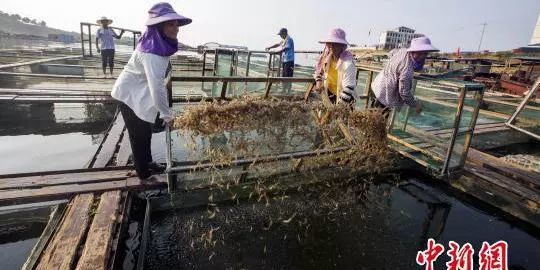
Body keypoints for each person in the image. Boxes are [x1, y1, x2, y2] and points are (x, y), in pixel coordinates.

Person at [111, 2, 192, 180]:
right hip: (129, 95)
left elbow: (158, 82)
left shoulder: (156, 43)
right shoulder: (152, 52)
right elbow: (157, 86)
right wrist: (167, 115)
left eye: (176, 24)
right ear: (158, 26)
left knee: (145, 131)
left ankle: (148, 163)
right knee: (138, 135)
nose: (176, 28)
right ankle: (143, 176)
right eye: (171, 24)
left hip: (138, 92)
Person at [371, 36, 439, 116]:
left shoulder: (403, 51)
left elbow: (391, 53)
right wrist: (416, 104)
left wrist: (394, 67)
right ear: (413, 51)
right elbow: (404, 93)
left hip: (377, 84)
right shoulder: (407, 70)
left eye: (425, 53)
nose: (422, 56)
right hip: (384, 95)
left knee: (371, 113)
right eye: (419, 53)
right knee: (377, 121)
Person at [313, 28, 357, 105]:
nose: (332, 46)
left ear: (342, 46)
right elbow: (318, 70)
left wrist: (338, 109)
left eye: (336, 43)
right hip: (330, 92)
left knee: (341, 116)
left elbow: (349, 88)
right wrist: (318, 81)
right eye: (330, 43)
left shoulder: (348, 63)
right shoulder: (327, 58)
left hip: (346, 98)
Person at [265, 28, 295, 92]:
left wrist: (276, 52)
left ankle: (288, 91)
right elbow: (277, 44)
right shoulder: (284, 40)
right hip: (285, 60)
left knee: (288, 76)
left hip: (289, 60)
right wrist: (269, 47)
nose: (280, 36)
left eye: (281, 34)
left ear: (284, 33)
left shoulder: (289, 39)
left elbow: (285, 49)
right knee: (284, 75)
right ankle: (284, 90)